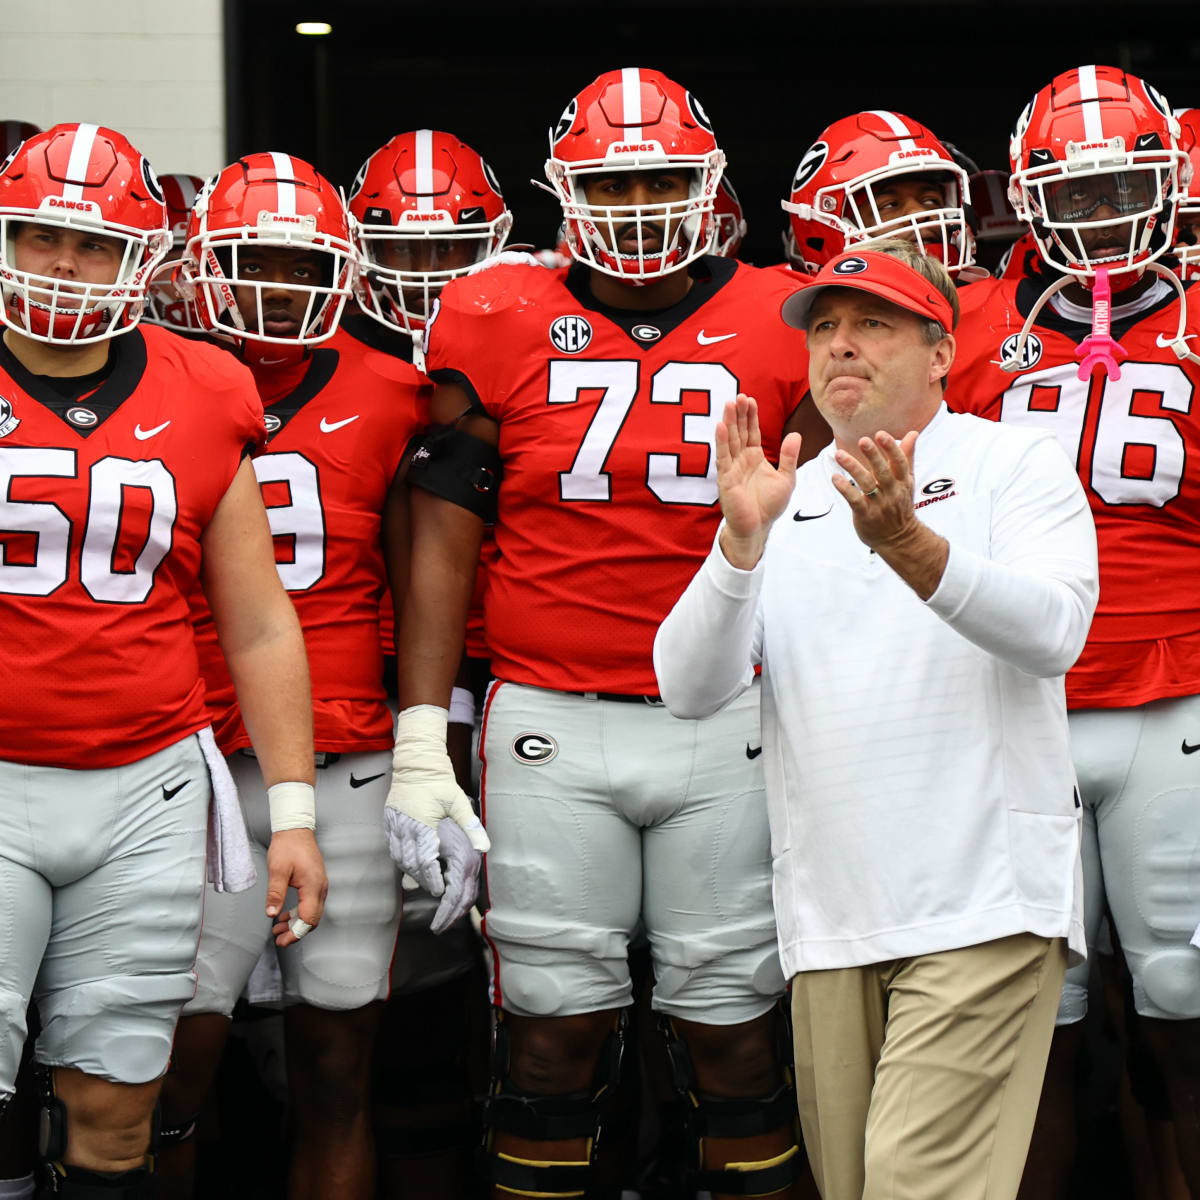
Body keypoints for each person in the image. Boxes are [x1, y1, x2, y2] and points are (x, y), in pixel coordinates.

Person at [385, 67, 826, 1198]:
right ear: (565, 191)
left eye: (661, 178)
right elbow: (443, 530)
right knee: (547, 1035)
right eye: (612, 180)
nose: (636, 203)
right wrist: (423, 737)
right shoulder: (496, 310)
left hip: (729, 713)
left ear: (711, 185)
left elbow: (835, 530)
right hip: (551, 715)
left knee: (735, 1036)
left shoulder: (785, 318)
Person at [654, 241, 1098, 1200]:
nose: (840, 346)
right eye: (824, 328)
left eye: (872, 323)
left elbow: (1056, 632)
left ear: (941, 351)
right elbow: (687, 687)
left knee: (910, 1186)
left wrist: (908, 544)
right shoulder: (783, 493)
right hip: (831, 924)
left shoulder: (1012, 460)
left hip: (985, 907)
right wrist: (738, 544)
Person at [0, 123, 325, 1200]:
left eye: (92, 245)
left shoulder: (205, 385)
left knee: (117, 1100)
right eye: (42, 236)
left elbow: (260, 621)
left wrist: (295, 814)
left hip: (146, 783)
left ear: (143, 258)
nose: (60, 265)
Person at [949, 65, 1200, 1196]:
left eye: (1124, 190)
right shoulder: (964, 320)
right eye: (1079, 194)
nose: (1102, 218)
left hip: (1179, 694)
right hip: (1012, 699)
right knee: (1023, 1020)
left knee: (1183, 1010)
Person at [158, 152, 428, 1200]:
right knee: (172, 1062)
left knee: (336, 1067)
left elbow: (431, 575)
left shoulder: (398, 394)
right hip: (193, 755)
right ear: (203, 263)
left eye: (294, 262)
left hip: (347, 753)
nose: (273, 284)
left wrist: (429, 736)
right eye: (250, 260)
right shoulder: (157, 374)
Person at [781, 110, 980, 276]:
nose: (918, 214)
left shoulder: (994, 301)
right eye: (889, 205)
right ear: (827, 224)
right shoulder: (777, 309)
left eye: (930, 201)